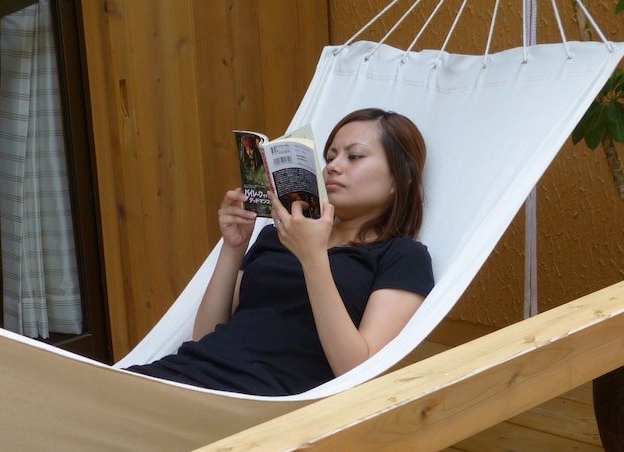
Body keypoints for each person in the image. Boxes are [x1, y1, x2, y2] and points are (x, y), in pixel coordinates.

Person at [127, 108, 434, 396]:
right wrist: (234, 247)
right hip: (187, 373)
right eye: (330, 157)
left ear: (401, 178)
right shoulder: (278, 236)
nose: (333, 167)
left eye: (354, 157)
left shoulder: (402, 256)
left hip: (260, 399)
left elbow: (357, 371)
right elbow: (205, 336)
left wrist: (313, 257)